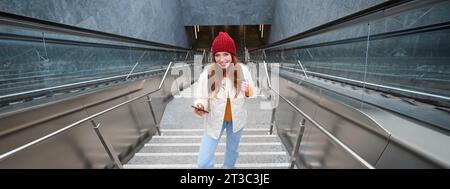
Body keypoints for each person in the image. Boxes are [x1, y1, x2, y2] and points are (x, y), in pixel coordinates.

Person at [193, 32, 256, 169]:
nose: (222, 59)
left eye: (226, 54)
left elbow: (252, 92)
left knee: (232, 150)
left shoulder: (243, 70)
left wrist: (247, 90)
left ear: (232, 55)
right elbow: (201, 96)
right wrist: (200, 105)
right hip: (215, 119)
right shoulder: (208, 72)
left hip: (236, 119)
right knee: (203, 163)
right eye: (217, 55)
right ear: (213, 56)